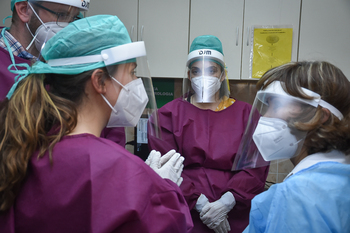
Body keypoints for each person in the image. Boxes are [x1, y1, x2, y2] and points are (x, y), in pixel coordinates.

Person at [0, 14, 193, 233]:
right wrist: (162, 191)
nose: (136, 83)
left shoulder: (24, 148)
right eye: (131, 72)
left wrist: (144, 184)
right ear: (100, 81)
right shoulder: (115, 168)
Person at [147, 35, 269, 233]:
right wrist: (200, 203)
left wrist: (228, 202)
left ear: (222, 75)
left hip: (234, 216)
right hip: (187, 213)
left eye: (211, 70)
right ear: (189, 75)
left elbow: (255, 166)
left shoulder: (247, 115)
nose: (204, 76)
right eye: (197, 71)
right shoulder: (166, 116)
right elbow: (166, 167)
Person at [232, 61, 350, 232]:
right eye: (267, 105)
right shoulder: (338, 175)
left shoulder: (299, 194)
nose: (265, 116)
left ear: (321, 116)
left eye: (277, 105)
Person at [1, 0, 127, 147]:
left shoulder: (73, 65)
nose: (68, 27)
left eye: (74, 18)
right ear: (24, 10)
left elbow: (109, 131)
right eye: (61, 15)